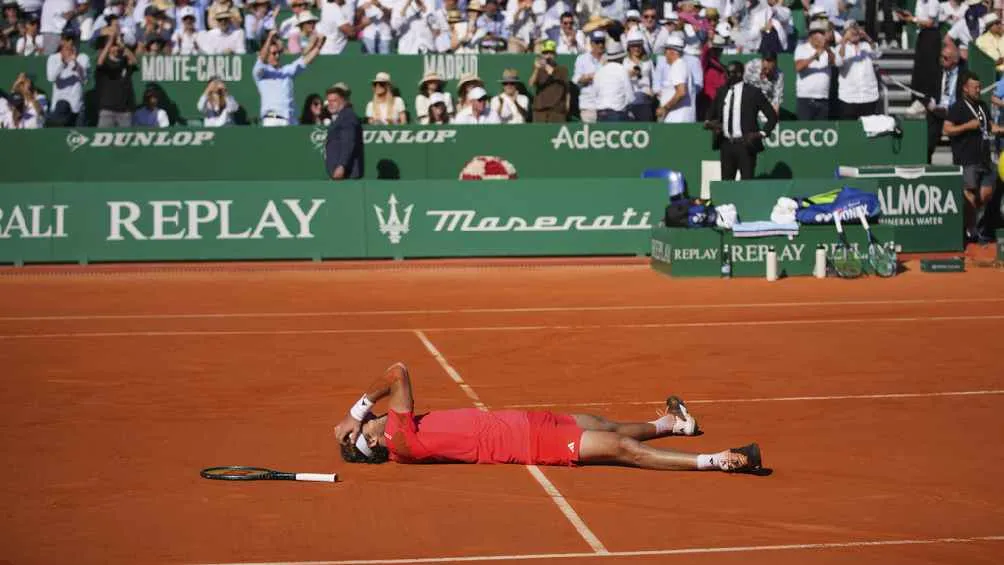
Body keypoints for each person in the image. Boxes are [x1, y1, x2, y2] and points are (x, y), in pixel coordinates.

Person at [333, 362, 763, 473]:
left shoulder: (399, 437)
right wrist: (357, 411)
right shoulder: (400, 437)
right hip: (530, 445)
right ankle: (718, 460)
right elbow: (397, 371)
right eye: (364, 428)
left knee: (602, 423)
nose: (372, 418)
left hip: (524, 421)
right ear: (371, 439)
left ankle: (673, 425)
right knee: (621, 450)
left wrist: (358, 424)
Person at [943, 71, 1003, 244]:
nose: (978, 90)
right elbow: (947, 129)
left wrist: (1000, 129)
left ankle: (966, 222)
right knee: (969, 193)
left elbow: (990, 126)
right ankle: (971, 231)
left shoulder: (982, 106)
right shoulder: (958, 107)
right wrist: (967, 126)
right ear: (965, 88)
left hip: (984, 157)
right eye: (974, 87)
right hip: (966, 158)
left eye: (979, 87)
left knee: (986, 193)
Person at [705, 61, 778, 181]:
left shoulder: (753, 93)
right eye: (726, 73)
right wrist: (709, 123)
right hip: (726, 143)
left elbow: (772, 116)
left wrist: (761, 134)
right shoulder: (722, 91)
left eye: (729, 73)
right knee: (727, 183)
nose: (726, 76)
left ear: (739, 74)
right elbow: (710, 112)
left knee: (746, 183)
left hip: (745, 144)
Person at [252, 30, 324, 126]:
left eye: (278, 53)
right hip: (272, 120)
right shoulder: (260, 73)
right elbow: (261, 58)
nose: (277, 56)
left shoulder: (286, 71)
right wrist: (269, 38)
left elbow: (305, 61)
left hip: (291, 120)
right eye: (273, 53)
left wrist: (319, 46)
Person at [834, 21, 880, 120]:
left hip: (869, 95)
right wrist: (844, 40)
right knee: (848, 130)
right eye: (851, 30)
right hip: (849, 97)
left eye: (856, 29)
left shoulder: (866, 46)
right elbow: (838, 62)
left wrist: (867, 36)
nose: (854, 33)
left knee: (870, 128)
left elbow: (877, 54)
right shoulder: (840, 47)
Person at [94, 25, 138, 127]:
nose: (116, 48)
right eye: (114, 46)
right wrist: (110, 41)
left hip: (125, 111)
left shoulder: (125, 62)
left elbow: (135, 62)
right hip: (107, 110)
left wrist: (122, 45)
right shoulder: (105, 63)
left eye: (116, 46)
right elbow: (100, 62)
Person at [926, 45, 962, 162]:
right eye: (941, 56)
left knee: (959, 146)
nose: (942, 59)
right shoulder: (936, 72)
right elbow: (926, 92)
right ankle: (926, 164)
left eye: (945, 58)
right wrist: (929, 103)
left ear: (955, 60)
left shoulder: (964, 75)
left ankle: (958, 169)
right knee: (928, 141)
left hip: (955, 112)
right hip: (937, 110)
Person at [46, 31, 89, 127]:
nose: (70, 42)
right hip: (59, 107)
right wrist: (64, 62)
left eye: (73, 39)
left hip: (77, 107)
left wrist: (75, 62)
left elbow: (84, 80)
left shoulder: (83, 57)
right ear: (62, 41)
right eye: (67, 39)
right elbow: (51, 78)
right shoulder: (53, 58)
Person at [794, 20, 834, 120]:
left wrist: (826, 49)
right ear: (811, 35)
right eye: (818, 33)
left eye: (822, 33)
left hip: (823, 98)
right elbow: (798, 67)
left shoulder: (828, 50)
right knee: (804, 129)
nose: (821, 36)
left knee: (821, 131)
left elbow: (834, 62)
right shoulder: (801, 48)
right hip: (805, 98)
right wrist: (815, 55)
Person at [324, 82, 364, 181]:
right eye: (329, 101)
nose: (330, 104)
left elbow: (348, 143)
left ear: (343, 101)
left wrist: (342, 165)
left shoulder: (348, 116)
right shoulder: (341, 117)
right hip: (341, 175)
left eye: (334, 101)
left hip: (346, 175)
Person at [656, 36, 695, 123]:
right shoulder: (680, 65)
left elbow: (681, 92)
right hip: (678, 118)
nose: (664, 54)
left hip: (677, 119)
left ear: (671, 51)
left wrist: (665, 108)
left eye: (665, 51)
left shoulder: (677, 66)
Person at [530, 39, 570, 122]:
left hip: (557, 111)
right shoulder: (538, 69)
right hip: (540, 110)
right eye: (545, 53)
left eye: (550, 53)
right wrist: (537, 69)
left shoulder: (562, 69)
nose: (548, 55)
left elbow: (566, 89)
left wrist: (566, 106)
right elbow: (531, 83)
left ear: (555, 55)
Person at [593, 42, 632, 122]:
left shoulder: (599, 71)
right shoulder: (622, 69)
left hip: (600, 113)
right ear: (621, 58)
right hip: (617, 114)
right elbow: (630, 96)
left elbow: (595, 93)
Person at [573, 29, 605, 123]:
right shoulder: (582, 59)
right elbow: (576, 80)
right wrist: (590, 77)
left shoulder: (609, 58)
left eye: (602, 42)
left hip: (606, 106)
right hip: (588, 105)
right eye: (597, 42)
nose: (600, 45)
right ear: (591, 43)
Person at [623, 29, 654, 121]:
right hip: (630, 101)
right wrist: (628, 75)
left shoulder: (648, 62)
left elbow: (654, 81)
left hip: (646, 100)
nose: (636, 48)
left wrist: (653, 92)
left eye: (638, 45)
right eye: (633, 45)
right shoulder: (624, 62)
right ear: (629, 47)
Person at [743, 51, 783, 116]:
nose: (767, 72)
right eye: (765, 69)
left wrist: (774, 118)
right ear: (761, 61)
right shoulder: (751, 66)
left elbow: (776, 100)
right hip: (748, 101)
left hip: (765, 104)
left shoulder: (779, 75)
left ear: (775, 64)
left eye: (770, 70)